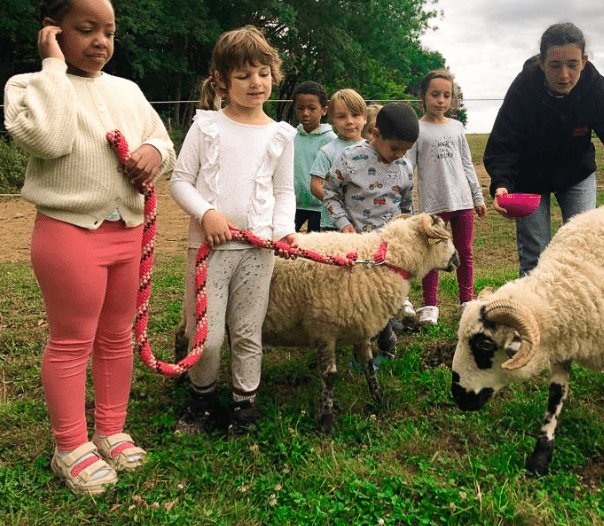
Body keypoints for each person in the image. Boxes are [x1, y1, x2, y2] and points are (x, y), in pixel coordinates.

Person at [3, 0, 176, 495]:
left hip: (127, 231)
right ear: (53, 32)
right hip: (69, 234)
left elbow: (161, 141)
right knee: (72, 340)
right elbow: (51, 140)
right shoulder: (28, 87)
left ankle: (111, 430)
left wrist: (154, 155)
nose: (101, 42)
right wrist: (52, 66)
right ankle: (69, 445)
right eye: (85, 30)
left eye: (109, 32)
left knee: (115, 337)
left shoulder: (127, 90)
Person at [170, 25, 297, 439]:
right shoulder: (206, 127)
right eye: (242, 76)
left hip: (257, 251)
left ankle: (244, 405)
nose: (255, 83)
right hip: (209, 249)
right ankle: (200, 400)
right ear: (221, 81)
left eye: (262, 73)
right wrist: (207, 214)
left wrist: (282, 232)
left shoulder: (280, 134)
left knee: (247, 331)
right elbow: (180, 181)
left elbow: (283, 190)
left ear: (273, 75)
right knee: (206, 336)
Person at [484, 23, 604, 276]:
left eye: (572, 65)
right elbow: (504, 141)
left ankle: (579, 312)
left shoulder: (597, 89)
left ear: (583, 61)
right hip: (530, 176)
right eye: (555, 66)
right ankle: (531, 313)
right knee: (535, 254)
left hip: (576, 174)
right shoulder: (523, 88)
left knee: (583, 248)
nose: (564, 75)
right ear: (541, 62)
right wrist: (502, 183)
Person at [323, 102, 420, 356]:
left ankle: (387, 344)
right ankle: (362, 350)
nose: (400, 154)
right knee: (360, 301)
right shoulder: (350, 158)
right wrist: (344, 226)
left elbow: (406, 209)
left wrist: (406, 236)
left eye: (406, 150)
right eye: (395, 148)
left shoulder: (405, 168)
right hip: (357, 246)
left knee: (383, 297)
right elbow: (330, 193)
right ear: (376, 135)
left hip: (388, 249)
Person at [407, 69, 486, 327]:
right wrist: (408, 205)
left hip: (462, 202)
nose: (441, 101)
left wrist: (477, 197)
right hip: (433, 206)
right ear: (423, 97)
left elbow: (467, 164)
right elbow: (408, 168)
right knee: (432, 255)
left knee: (464, 252)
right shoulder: (416, 130)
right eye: (435, 95)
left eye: (446, 95)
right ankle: (430, 306)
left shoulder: (456, 127)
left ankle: (466, 302)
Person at [293, 81, 336, 232]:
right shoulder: (291, 137)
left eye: (312, 108)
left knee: (315, 249)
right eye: (300, 108)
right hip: (294, 205)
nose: (305, 113)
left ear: (324, 110)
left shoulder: (331, 140)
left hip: (320, 207)